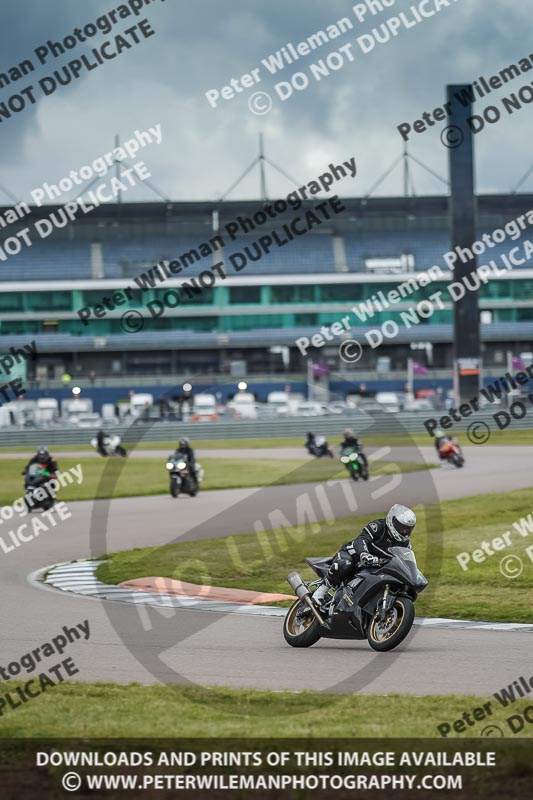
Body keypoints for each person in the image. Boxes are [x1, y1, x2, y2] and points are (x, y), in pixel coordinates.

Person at [312, 504, 417, 605]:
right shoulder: (378, 526)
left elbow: (406, 559)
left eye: (408, 529)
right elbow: (361, 540)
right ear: (392, 521)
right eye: (402, 527)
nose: (404, 531)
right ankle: (320, 592)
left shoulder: (405, 543)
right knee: (345, 563)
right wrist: (365, 554)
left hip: (377, 565)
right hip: (354, 556)